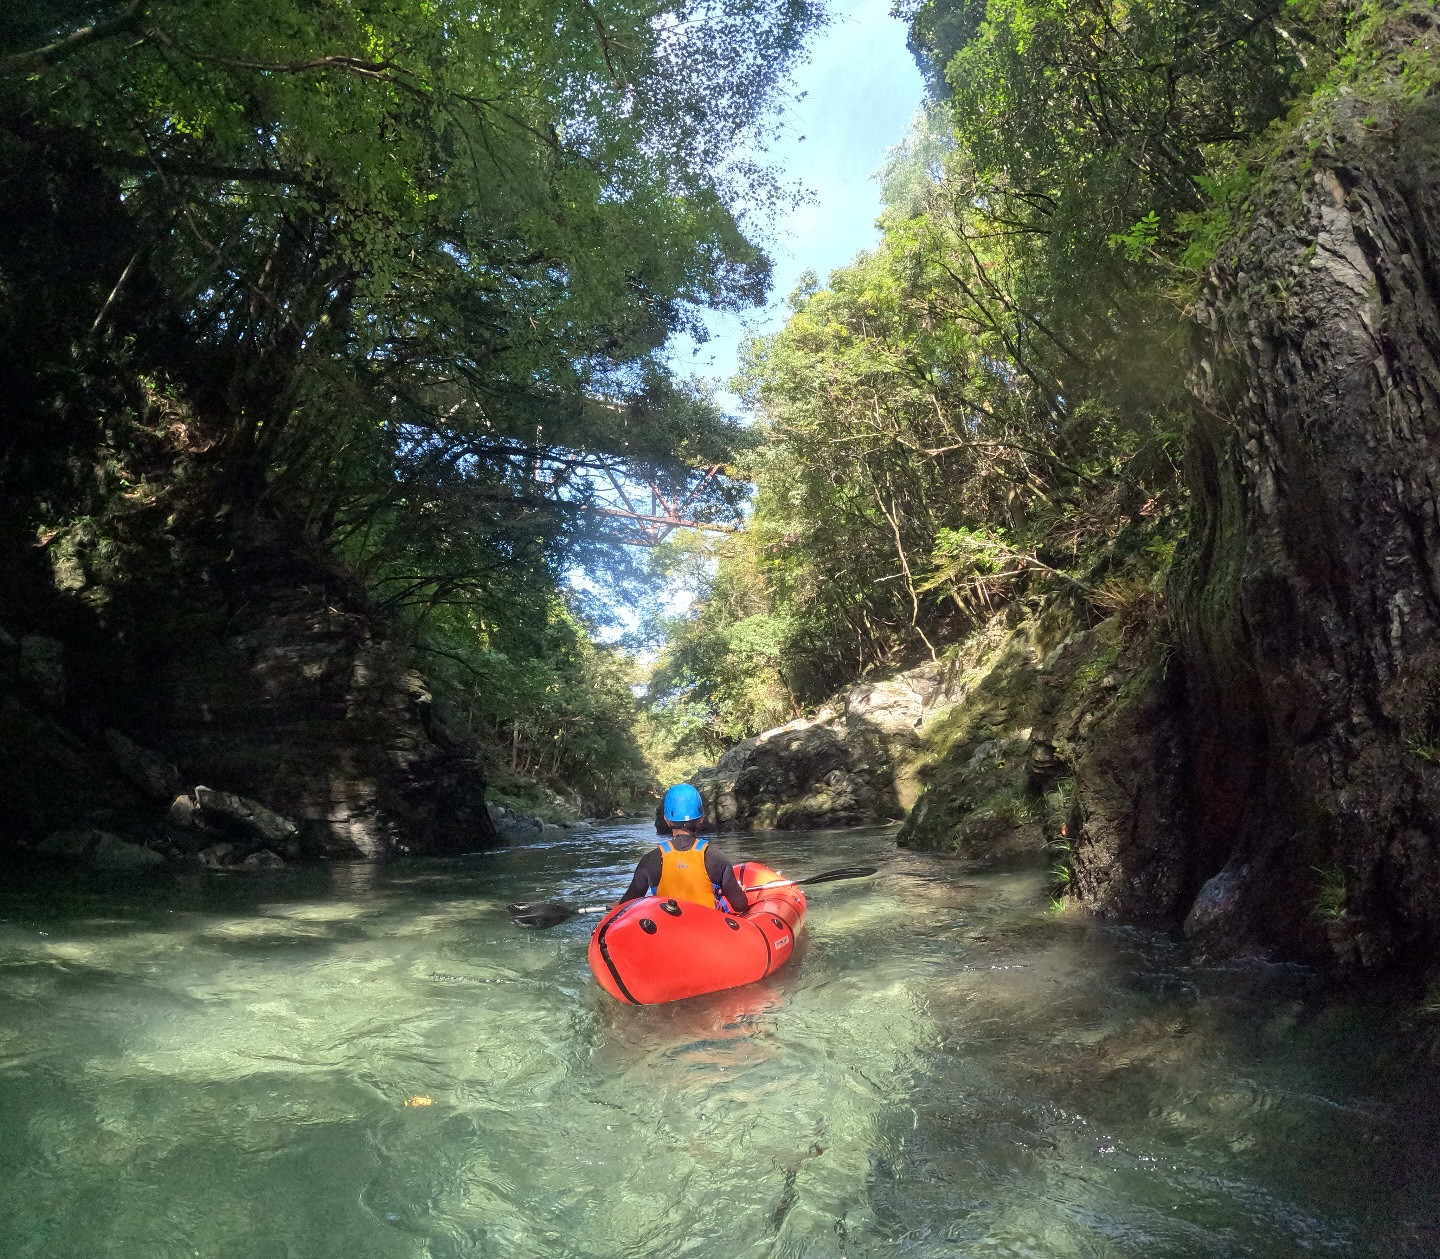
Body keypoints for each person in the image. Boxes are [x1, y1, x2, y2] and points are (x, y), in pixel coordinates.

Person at [620, 784, 749, 914]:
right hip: (708, 929)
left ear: (667, 820)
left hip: (668, 930)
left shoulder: (649, 860)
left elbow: (626, 906)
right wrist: (740, 893)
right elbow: (740, 905)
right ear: (701, 819)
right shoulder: (717, 857)